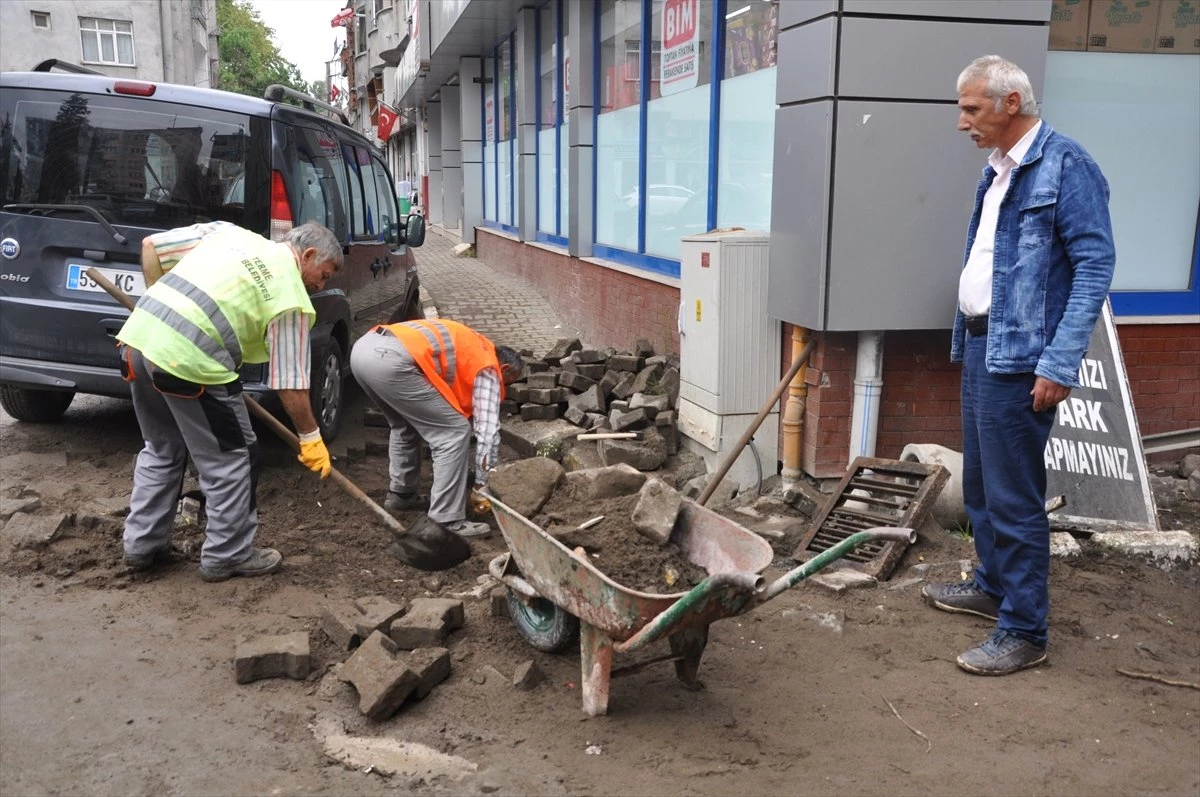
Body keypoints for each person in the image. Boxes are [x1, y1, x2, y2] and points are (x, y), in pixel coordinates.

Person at [922, 55, 1116, 676]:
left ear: (1011, 104)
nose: (962, 122)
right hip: (983, 345)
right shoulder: (998, 171)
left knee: (1013, 497)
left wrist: (1059, 361)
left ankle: (1025, 629)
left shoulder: (1067, 164)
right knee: (980, 485)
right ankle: (992, 585)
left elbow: (1093, 267)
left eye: (971, 108)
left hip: (1024, 356)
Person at [117, 222, 342, 581]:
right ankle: (228, 553)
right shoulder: (289, 295)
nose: (321, 285)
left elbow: (150, 246)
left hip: (141, 341)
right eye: (324, 274)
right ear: (309, 255)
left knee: (162, 449)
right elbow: (290, 382)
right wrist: (311, 437)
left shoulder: (229, 234)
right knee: (234, 457)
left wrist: (161, 312)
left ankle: (142, 545)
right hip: (190, 361)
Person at [351, 318, 524, 538]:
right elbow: (488, 434)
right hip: (392, 361)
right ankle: (447, 519)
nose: (503, 389)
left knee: (405, 425)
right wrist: (482, 484)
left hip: (363, 350)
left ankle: (402, 495)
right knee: (454, 433)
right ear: (505, 368)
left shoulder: (472, 343)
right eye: (506, 382)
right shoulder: (488, 366)